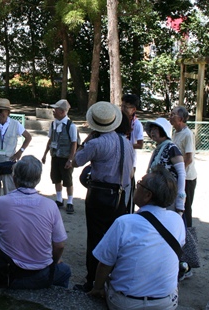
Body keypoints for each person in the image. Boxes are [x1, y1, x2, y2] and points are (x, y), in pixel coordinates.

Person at [88, 166, 186, 310]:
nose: (136, 186)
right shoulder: (177, 220)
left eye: (140, 183)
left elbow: (105, 263)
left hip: (127, 303)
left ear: (147, 195)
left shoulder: (125, 222)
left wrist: (97, 287)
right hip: (165, 303)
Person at [0, 155, 71, 289]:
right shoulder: (50, 205)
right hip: (42, 272)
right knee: (65, 271)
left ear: (14, 178)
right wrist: (53, 261)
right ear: (38, 179)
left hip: (9, 271)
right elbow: (59, 246)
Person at [72, 101, 134, 292]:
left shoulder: (96, 144)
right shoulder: (126, 143)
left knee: (96, 239)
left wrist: (85, 142)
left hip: (100, 195)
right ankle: (111, 280)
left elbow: (75, 161)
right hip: (121, 196)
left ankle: (92, 280)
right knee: (115, 239)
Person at [41, 99, 78, 214]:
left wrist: (70, 159)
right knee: (56, 177)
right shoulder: (53, 124)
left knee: (68, 180)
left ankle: (70, 202)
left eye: (55, 109)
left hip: (65, 157)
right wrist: (45, 154)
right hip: (55, 156)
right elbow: (51, 139)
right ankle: (59, 199)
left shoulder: (70, 126)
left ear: (62, 112)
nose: (53, 111)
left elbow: (74, 143)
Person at [145, 118, 186, 213]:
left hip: (168, 195)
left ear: (163, 131)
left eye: (156, 129)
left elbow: (181, 173)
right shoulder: (159, 148)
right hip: (156, 194)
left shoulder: (172, 148)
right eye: (152, 129)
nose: (152, 132)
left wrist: (180, 200)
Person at [169, 106, 197, 227]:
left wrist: (179, 173)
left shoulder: (187, 134)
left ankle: (188, 235)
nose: (170, 117)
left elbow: (189, 158)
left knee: (185, 207)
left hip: (187, 178)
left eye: (172, 114)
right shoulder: (175, 132)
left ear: (180, 118)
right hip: (178, 176)